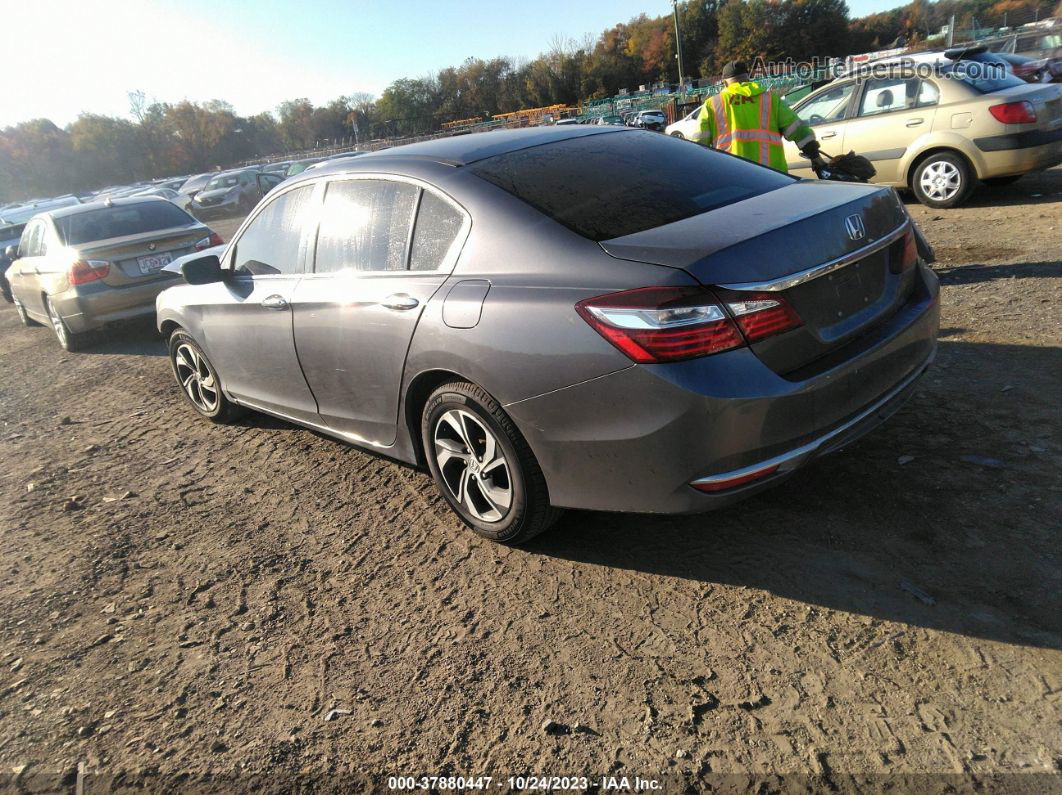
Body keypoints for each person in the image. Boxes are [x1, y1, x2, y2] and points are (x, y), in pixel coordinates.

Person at [692, 60, 823, 173]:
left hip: (730, 177)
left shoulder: (713, 104)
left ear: (724, 83)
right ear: (748, 79)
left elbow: (697, 146)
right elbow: (798, 130)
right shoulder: (770, 99)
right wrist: (815, 156)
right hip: (772, 176)